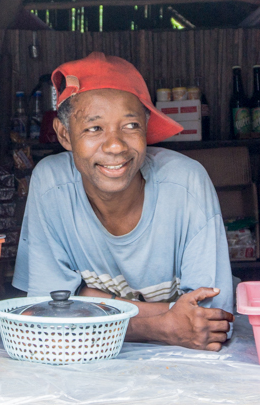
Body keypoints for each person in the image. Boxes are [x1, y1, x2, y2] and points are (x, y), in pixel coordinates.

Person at [13, 52, 235, 350]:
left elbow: (211, 321)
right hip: (85, 370)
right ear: (65, 135)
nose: (115, 145)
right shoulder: (52, 185)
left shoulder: (186, 185)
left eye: (130, 126)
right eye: (94, 128)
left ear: (146, 126)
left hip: (183, 373)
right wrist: (163, 326)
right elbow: (47, 318)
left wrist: (89, 299)